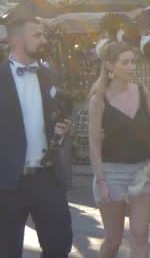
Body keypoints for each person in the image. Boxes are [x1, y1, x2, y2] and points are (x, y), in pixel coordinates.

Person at [0, 16, 73, 257]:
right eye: (37, 35)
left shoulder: (50, 76)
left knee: (59, 245)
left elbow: (56, 117)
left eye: (44, 35)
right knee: (7, 251)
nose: (44, 40)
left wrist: (62, 130)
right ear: (17, 40)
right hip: (8, 182)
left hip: (47, 177)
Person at [88, 42, 150, 258]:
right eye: (125, 62)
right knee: (113, 240)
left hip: (141, 171)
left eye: (134, 61)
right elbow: (94, 143)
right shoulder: (98, 99)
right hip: (111, 172)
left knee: (140, 234)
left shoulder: (142, 91)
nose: (132, 66)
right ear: (109, 66)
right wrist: (100, 181)